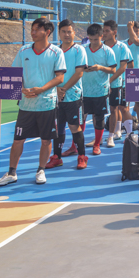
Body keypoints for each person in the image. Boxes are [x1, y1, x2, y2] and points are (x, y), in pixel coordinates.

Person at [0, 18, 66, 186]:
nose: (33, 32)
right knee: (18, 140)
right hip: (26, 105)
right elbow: (15, 73)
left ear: (47, 32)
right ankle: (12, 173)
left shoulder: (57, 52)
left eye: (37, 29)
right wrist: (22, 88)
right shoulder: (24, 51)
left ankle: (41, 170)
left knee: (46, 140)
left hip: (47, 104)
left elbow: (60, 78)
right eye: (32, 29)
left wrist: (41, 89)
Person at [46, 19, 88, 170]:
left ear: (74, 33)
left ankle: (82, 156)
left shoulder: (79, 50)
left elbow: (79, 73)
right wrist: (56, 89)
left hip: (73, 96)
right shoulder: (54, 51)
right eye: (63, 31)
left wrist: (63, 89)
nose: (66, 34)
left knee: (74, 126)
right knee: (58, 128)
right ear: (59, 33)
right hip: (56, 96)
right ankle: (57, 157)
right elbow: (50, 73)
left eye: (69, 32)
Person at [81, 23, 116, 155]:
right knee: (81, 118)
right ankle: (76, 144)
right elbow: (77, 67)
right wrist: (84, 69)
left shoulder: (108, 51)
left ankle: (97, 144)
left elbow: (113, 69)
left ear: (102, 36)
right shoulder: (82, 49)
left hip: (100, 90)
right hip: (84, 90)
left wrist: (100, 67)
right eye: (91, 39)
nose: (93, 42)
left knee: (99, 118)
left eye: (96, 39)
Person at [102, 20, 132, 147]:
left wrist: (109, 81)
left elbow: (124, 67)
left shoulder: (122, 47)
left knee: (121, 108)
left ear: (114, 32)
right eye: (103, 31)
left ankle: (129, 134)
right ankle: (116, 132)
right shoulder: (100, 46)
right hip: (102, 85)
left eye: (107, 31)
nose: (104, 33)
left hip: (118, 83)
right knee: (109, 110)